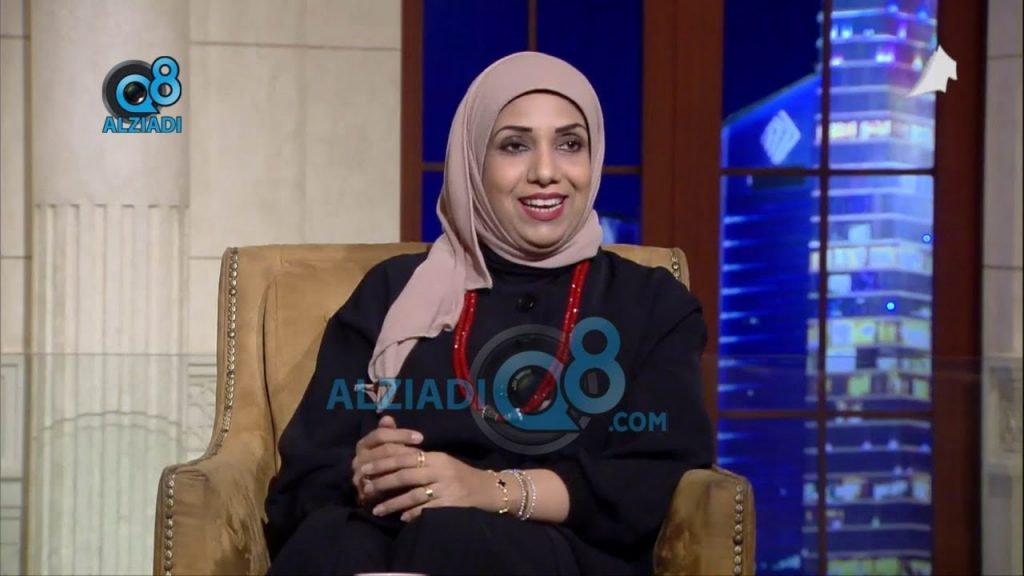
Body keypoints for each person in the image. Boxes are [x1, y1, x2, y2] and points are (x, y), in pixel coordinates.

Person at [263, 51, 713, 576]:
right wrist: (364, 474)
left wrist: (490, 490)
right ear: (473, 161)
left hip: (555, 553)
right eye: (515, 145)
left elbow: (655, 476)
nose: (546, 172)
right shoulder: (391, 290)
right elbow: (305, 477)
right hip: (384, 542)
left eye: (570, 144)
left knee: (451, 538)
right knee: (332, 545)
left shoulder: (652, 303)